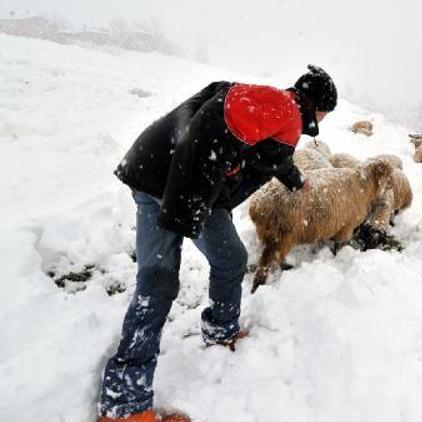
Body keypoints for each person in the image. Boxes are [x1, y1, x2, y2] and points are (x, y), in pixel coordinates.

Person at [98, 65, 337, 422]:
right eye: (326, 112)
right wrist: (185, 212)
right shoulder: (282, 108)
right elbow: (208, 132)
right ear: (317, 106)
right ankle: (125, 406)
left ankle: (220, 329)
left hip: (165, 175)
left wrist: (296, 180)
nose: (324, 119)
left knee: (229, 257)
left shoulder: (274, 107)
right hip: (173, 184)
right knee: (159, 283)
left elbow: (267, 153)